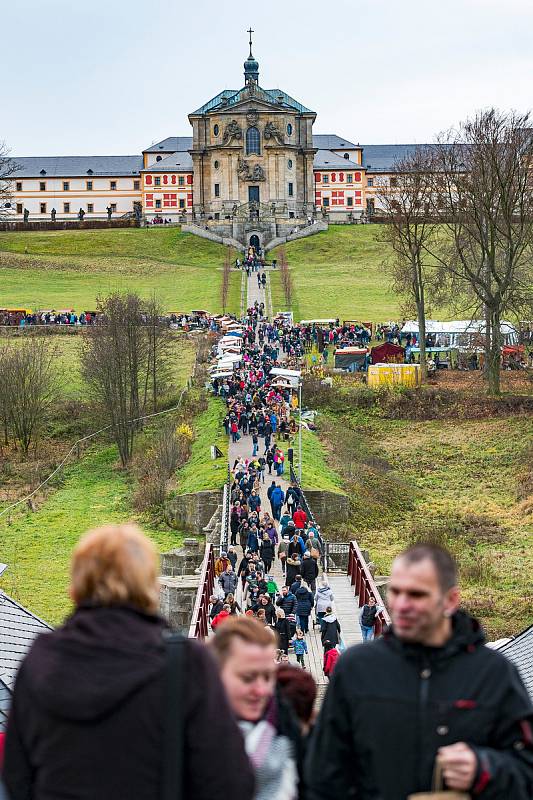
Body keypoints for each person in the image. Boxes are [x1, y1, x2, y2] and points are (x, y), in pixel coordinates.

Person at [3, 524, 254, 800]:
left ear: (74, 591)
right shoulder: (186, 665)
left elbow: (17, 776)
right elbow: (230, 782)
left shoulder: (39, 662)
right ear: (153, 590)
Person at [305, 543, 533, 799]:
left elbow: (526, 770)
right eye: (396, 591)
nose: (401, 605)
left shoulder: (495, 674)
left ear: (450, 600)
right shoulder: (355, 669)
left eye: (416, 595)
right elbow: (322, 776)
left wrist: (485, 769)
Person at [211, 617, 301, 799]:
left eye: (268, 678)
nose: (261, 691)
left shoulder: (288, 727)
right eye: (247, 678)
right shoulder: (189, 734)